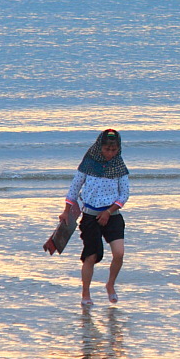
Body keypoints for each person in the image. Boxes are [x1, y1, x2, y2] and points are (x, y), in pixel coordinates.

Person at [61, 128, 130, 307]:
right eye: (107, 149)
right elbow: (74, 189)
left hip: (112, 215)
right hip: (90, 217)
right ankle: (85, 292)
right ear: (100, 147)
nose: (110, 153)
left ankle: (110, 285)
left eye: (114, 150)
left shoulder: (119, 166)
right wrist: (66, 210)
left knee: (119, 253)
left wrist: (108, 212)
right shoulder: (88, 164)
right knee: (91, 256)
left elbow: (124, 194)